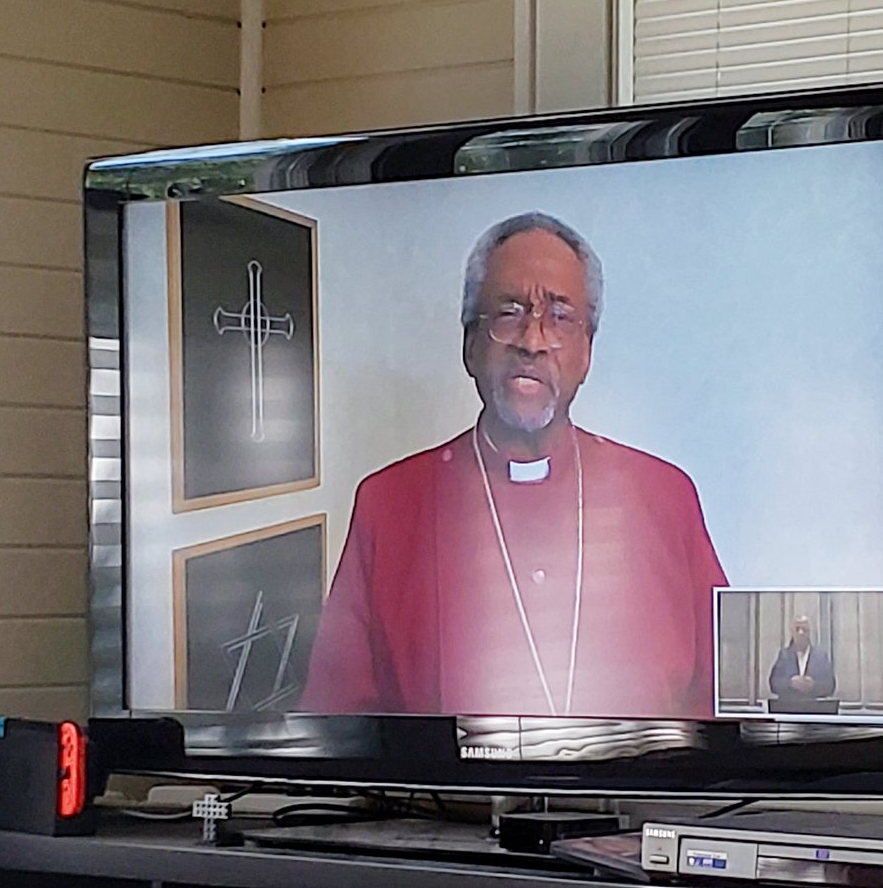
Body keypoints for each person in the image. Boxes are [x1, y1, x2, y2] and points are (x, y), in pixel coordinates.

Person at [299, 212, 727, 720]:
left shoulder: (667, 496)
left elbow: (722, 701)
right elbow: (337, 720)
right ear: (470, 346)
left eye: (561, 316)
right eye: (508, 312)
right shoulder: (388, 503)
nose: (532, 339)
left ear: (587, 352)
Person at [768, 615, 836, 704]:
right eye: (797, 629)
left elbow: (830, 685)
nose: (801, 633)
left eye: (804, 630)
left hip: (814, 709)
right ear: (792, 632)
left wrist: (813, 685)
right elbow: (774, 683)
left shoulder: (820, 657)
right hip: (789, 708)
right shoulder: (784, 656)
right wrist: (790, 683)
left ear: (809, 633)